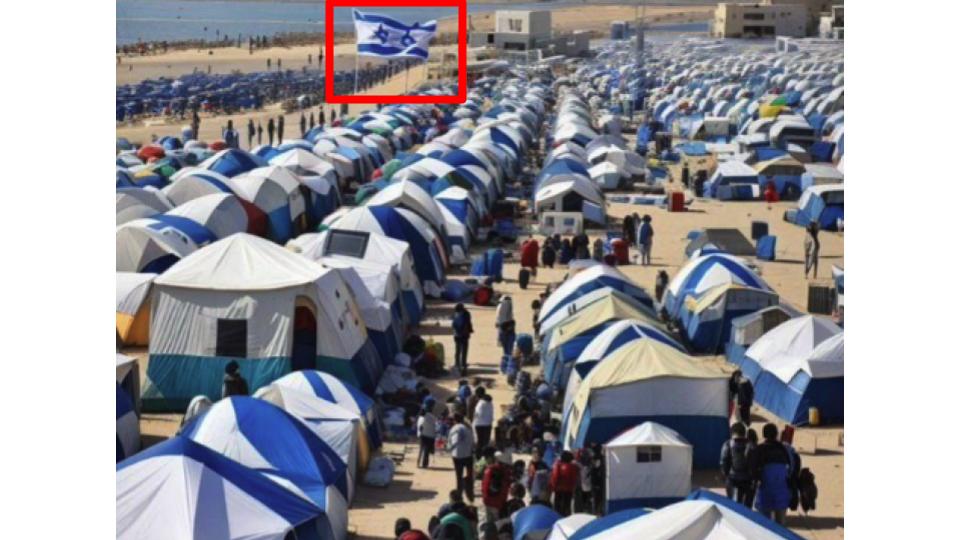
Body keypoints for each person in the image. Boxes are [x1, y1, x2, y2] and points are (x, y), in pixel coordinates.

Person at [752, 423, 795, 525]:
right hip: (782, 492)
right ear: (776, 435)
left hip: (764, 493)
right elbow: (791, 469)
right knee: (780, 526)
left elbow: (752, 470)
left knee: (765, 525)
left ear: (763, 435)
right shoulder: (785, 449)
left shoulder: (758, 449)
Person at [720, 422, 755, 507]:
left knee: (733, 506)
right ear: (744, 432)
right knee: (747, 507)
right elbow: (755, 463)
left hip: (732, 480)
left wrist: (725, 475)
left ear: (732, 432)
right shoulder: (751, 445)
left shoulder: (727, 444)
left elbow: (723, 461)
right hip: (748, 480)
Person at [448, 414, 476, 502]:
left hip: (457, 456)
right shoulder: (468, 429)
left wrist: (450, 449)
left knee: (458, 476)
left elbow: (452, 442)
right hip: (468, 455)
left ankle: (459, 495)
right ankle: (470, 494)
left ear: (455, 420)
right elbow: (472, 441)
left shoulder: (454, 429)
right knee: (469, 475)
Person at [481, 449, 513, 524]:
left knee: (489, 522)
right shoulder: (504, 472)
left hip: (487, 500)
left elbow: (484, 485)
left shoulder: (489, 469)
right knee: (497, 524)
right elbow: (505, 489)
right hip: (497, 503)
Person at [550, 450, 579, 516]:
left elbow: (555, 477)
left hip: (558, 489)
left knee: (557, 506)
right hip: (569, 489)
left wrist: (553, 487)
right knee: (567, 505)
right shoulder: (573, 467)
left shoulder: (558, 465)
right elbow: (574, 479)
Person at [452, 303, 473, 374]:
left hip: (458, 335)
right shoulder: (467, 314)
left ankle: (457, 364)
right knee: (464, 350)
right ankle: (463, 364)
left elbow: (453, 325)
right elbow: (468, 324)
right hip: (464, 335)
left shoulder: (455, 314)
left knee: (458, 350)